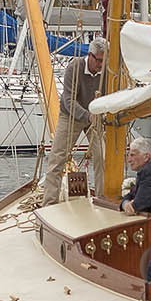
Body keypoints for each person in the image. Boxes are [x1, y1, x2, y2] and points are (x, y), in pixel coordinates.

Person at [39, 37, 108, 202]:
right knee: (57, 159)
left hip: (94, 117)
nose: (101, 65)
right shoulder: (74, 67)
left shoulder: (106, 72)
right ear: (90, 56)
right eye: (98, 60)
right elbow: (68, 100)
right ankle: (49, 203)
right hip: (71, 116)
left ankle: (102, 200)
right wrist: (87, 115)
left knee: (102, 157)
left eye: (104, 61)